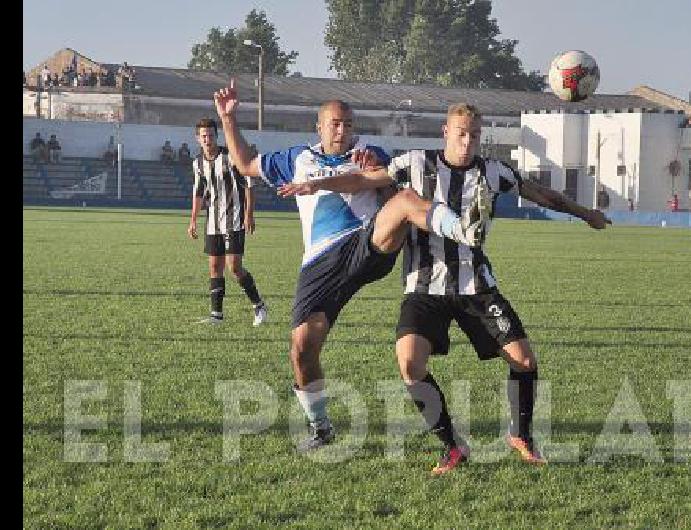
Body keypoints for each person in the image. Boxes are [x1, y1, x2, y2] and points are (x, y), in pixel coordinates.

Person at [280, 103, 612, 474]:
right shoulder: (415, 163)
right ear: (446, 133)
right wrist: (317, 183)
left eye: (474, 134)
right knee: (409, 363)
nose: (467, 141)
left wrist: (586, 214)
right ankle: (452, 446)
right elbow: (362, 180)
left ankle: (521, 435)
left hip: (477, 286)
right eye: (461, 133)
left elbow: (541, 195)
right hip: (424, 288)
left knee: (525, 361)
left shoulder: (493, 172)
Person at [213, 79, 488, 452]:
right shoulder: (296, 159)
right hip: (320, 264)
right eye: (336, 124)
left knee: (405, 199)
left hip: (367, 244)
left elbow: (398, 195)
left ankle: (461, 228)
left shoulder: (369, 153)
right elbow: (244, 164)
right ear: (320, 126)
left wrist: (378, 171)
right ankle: (321, 429)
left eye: (349, 125)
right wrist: (228, 119)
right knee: (302, 349)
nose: (343, 131)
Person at [187, 117, 268, 327]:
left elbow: (249, 184)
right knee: (215, 266)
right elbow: (198, 192)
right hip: (213, 221)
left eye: (211, 135)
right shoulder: (197, 163)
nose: (207, 139)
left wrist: (249, 214)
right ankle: (217, 315)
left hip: (235, 218)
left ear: (216, 136)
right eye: (203, 136)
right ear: (198, 138)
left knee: (234, 267)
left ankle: (258, 305)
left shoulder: (230, 157)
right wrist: (193, 220)